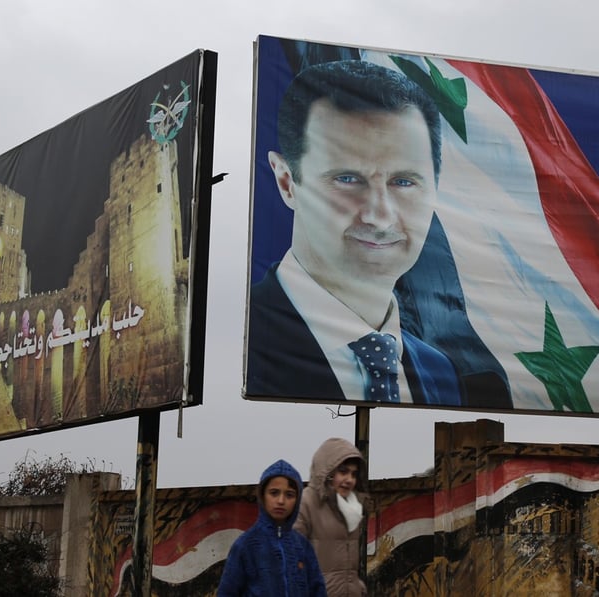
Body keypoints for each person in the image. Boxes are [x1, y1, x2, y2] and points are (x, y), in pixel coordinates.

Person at [247, 59, 463, 406]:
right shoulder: (245, 339)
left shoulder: (441, 373)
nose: (380, 217)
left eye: (404, 182)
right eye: (347, 179)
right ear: (287, 182)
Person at [217, 459, 327, 597]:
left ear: (298, 499)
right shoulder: (245, 545)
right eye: (274, 493)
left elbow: (318, 590)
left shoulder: (303, 546)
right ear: (263, 495)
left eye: (289, 495)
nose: (281, 501)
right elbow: (227, 592)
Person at [295, 438, 368, 597]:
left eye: (354, 474)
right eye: (343, 471)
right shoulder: (306, 503)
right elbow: (292, 560)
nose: (349, 480)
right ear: (327, 472)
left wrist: (357, 586)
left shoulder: (353, 507)